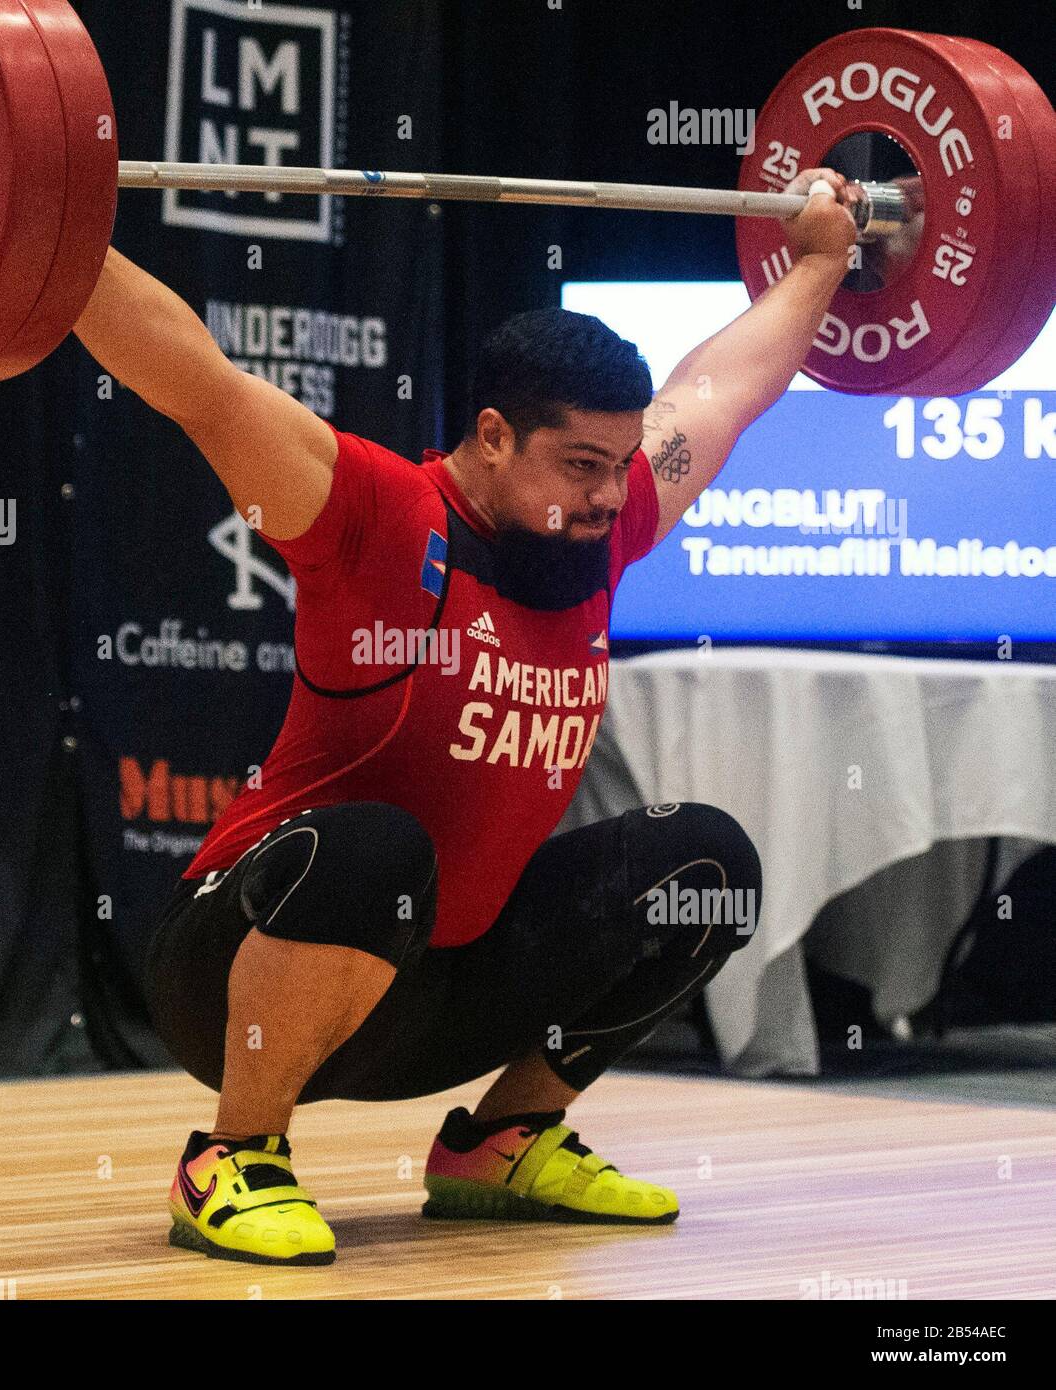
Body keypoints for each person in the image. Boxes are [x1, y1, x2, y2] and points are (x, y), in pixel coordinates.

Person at [74, 169, 860, 1266]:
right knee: (383, 847)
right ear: (492, 435)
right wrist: (43, 233)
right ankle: (234, 1153)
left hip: (424, 993)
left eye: (620, 464)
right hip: (234, 964)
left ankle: (502, 1140)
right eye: (581, 465)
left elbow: (721, 386)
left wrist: (820, 260)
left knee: (703, 861)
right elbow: (197, 383)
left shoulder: (603, 526)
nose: (609, 492)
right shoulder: (379, 516)